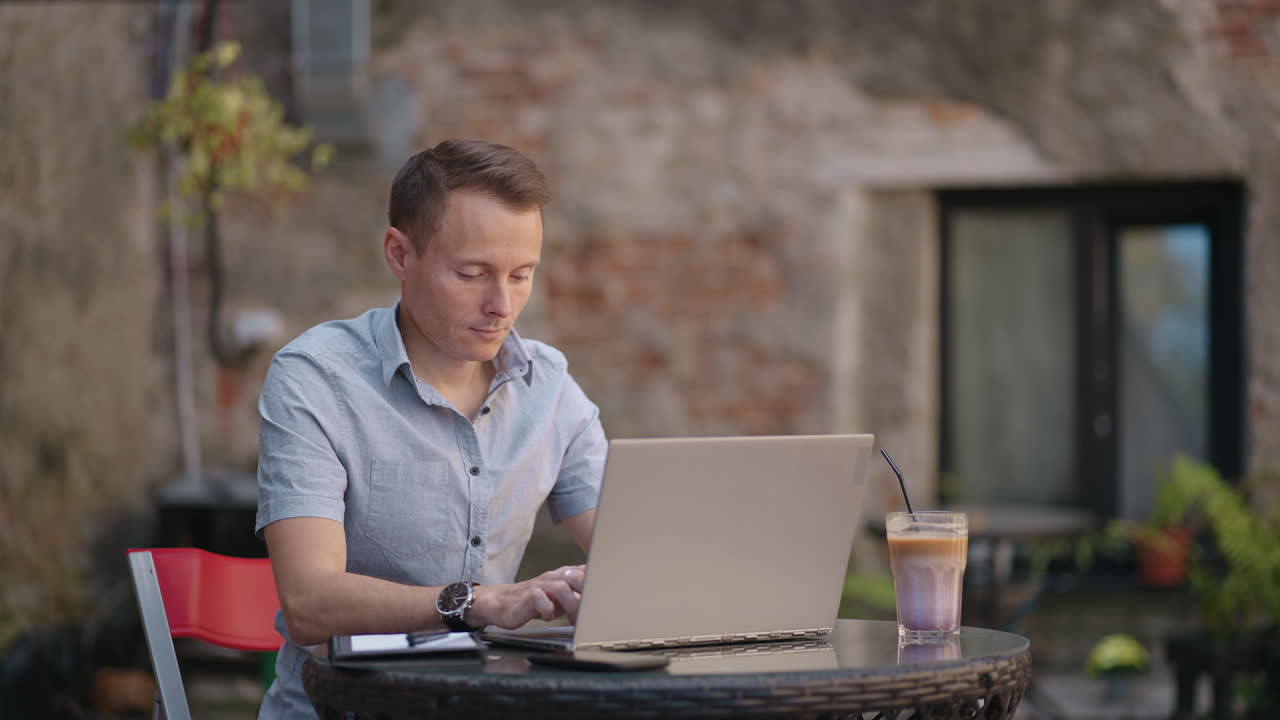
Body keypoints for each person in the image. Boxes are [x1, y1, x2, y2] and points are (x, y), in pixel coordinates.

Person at [254, 139, 608, 718]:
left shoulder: (549, 386)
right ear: (399, 253)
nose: (503, 304)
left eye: (523, 275)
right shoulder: (316, 378)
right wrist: (480, 602)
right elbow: (309, 603)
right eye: (473, 274)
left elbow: (636, 558)